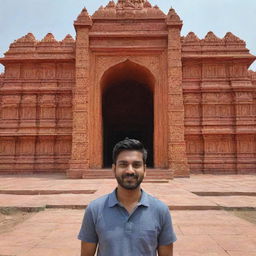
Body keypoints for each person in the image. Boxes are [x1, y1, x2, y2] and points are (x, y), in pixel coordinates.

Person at [78, 138, 177, 256]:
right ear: (114, 169)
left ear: (145, 170)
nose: (130, 171)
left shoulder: (160, 210)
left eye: (136, 165)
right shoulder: (95, 209)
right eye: (123, 164)